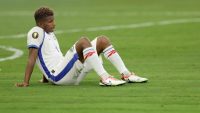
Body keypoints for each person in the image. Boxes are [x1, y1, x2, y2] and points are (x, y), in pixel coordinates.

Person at [16, 7, 148, 87]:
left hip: (68, 74)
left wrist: (45, 78)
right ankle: (105, 77)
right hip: (59, 78)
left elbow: (47, 57)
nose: (54, 24)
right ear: (40, 23)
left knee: (102, 40)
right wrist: (26, 82)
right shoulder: (36, 31)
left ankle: (125, 74)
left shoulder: (49, 34)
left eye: (53, 20)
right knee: (83, 41)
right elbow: (32, 58)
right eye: (50, 21)